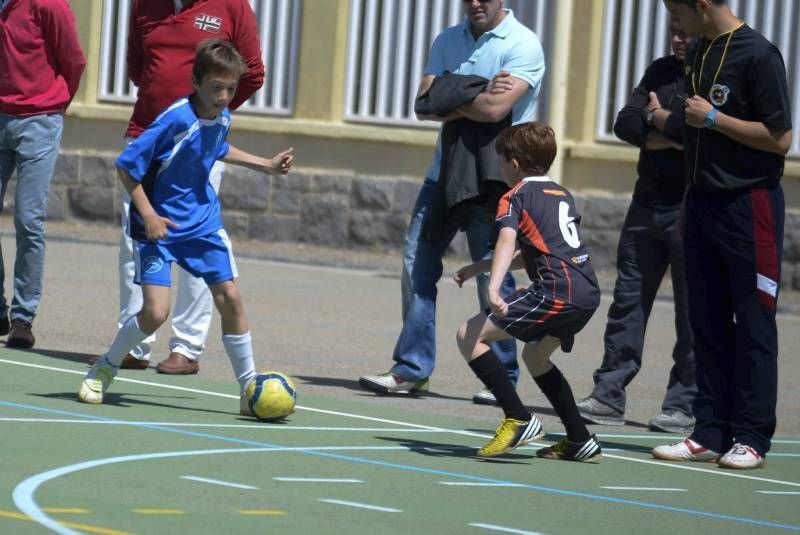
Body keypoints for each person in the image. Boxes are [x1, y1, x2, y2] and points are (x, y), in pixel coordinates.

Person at [78, 39, 293, 411]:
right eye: (216, 88)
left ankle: (248, 391)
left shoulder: (221, 114)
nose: (224, 96)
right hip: (158, 225)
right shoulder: (176, 119)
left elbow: (217, 147)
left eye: (230, 88)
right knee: (155, 313)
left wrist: (267, 165)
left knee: (231, 297)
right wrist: (148, 215)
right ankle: (105, 367)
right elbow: (126, 166)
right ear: (195, 82)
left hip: (202, 225)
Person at [359, 0, 545, 405]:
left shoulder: (523, 44)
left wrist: (450, 89)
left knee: (492, 277)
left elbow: (498, 108)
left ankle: (501, 375)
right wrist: (476, 88)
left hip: (495, 181)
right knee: (416, 265)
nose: (475, 3)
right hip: (442, 176)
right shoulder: (447, 39)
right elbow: (424, 104)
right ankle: (412, 369)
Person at [654, 0, 793, 469]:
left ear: (704, 4)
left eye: (679, 10)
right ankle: (708, 430)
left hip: (748, 205)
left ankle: (752, 436)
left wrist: (714, 119)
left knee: (754, 322)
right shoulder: (699, 50)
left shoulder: (758, 54)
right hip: (701, 203)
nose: (675, 21)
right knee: (706, 321)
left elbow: (780, 138)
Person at [108, 0, 265, 374]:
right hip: (147, 133)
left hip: (199, 144)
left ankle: (186, 347)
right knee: (138, 241)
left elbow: (253, 72)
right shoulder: (145, 4)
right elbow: (136, 65)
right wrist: (169, 114)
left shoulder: (232, 6)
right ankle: (135, 342)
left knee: (197, 245)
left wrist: (212, 116)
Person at [454, 122, 602, 461]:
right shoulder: (560, 193)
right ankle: (580, 438)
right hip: (586, 292)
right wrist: (481, 267)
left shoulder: (515, 195)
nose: (501, 167)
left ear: (515, 163)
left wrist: (492, 288)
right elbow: (543, 250)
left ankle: (518, 417)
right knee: (535, 356)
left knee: (469, 335)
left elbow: (507, 239)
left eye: (502, 160)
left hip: (556, 291)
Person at [576, 17, 696, 434]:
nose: (678, 40)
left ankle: (683, 405)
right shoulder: (660, 70)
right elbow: (625, 123)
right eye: (673, 31)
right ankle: (608, 395)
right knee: (627, 302)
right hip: (646, 205)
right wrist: (666, 128)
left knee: (691, 312)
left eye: (686, 31)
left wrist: (657, 117)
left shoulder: (717, 73)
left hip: (691, 208)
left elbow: (693, 132)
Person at [0, 0, 86, 348]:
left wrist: (54, 105)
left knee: (28, 218)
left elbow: (74, 61)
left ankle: (23, 316)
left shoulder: (49, 4)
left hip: (39, 119)